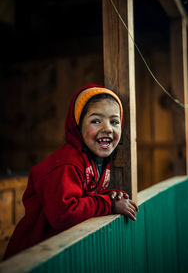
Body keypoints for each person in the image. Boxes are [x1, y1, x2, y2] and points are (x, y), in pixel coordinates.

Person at [4, 84, 138, 259]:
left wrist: (109, 195)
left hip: (56, 252)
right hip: (31, 256)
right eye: (96, 120)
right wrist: (109, 205)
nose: (108, 128)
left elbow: (83, 196)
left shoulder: (96, 160)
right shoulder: (67, 164)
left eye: (114, 121)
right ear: (77, 126)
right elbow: (64, 213)